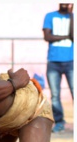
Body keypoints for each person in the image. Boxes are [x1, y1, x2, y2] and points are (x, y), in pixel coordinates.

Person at [43, 3, 74, 133]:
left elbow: (73, 36)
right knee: (55, 95)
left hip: (72, 61)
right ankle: (59, 122)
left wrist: (72, 15)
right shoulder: (50, 16)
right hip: (53, 62)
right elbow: (47, 37)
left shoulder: (73, 17)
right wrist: (65, 36)